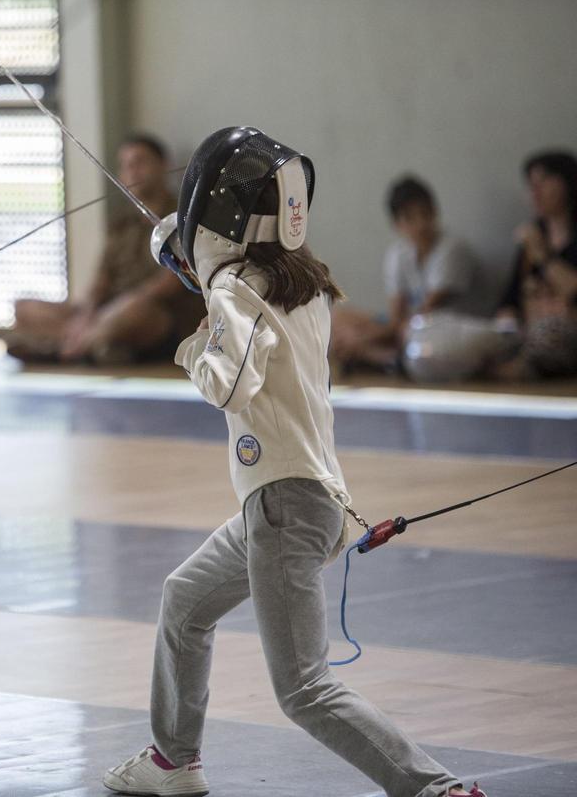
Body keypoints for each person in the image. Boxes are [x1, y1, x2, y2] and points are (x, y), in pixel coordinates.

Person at [102, 127, 487, 797]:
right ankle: (174, 759)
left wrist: (195, 344)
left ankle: (435, 788)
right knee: (185, 601)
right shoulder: (303, 282)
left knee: (304, 686)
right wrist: (203, 277)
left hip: (284, 507)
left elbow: (231, 381)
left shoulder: (234, 289)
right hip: (294, 500)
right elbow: (251, 311)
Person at [7, 134, 205, 365]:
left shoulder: (183, 218)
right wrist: (87, 314)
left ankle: (63, 348)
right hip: (108, 310)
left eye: (140, 162)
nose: (133, 171)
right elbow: (102, 278)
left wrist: (113, 311)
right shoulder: (121, 222)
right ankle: (98, 345)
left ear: (162, 165)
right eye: (126, 165)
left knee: (135, 311)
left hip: (154, 313)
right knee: (24, 308)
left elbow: (168, 285)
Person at [331, 176, 489, 372]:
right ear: (397, 224)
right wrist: (362, 334)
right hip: (407, 328)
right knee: (337, 319)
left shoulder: (452, 249)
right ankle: (384, 358)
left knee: (410, 332)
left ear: (434, 211)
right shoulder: (398, 254)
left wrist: (363, 338)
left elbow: (423, 315)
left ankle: (378, 357)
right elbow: (396, 316)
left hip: (444, 330)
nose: (420, 224)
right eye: (410, 218)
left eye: (424, 213)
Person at [493, 150, 577, 379]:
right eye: (531, 185)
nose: (535, 192)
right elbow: (509, 300)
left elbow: (573, 289)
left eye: (543, 182)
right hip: (525, 334)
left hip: (563, 336)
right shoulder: (530, 237)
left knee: (550, 335)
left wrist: (544, 256)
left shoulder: (537, 243)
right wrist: (507, 323)